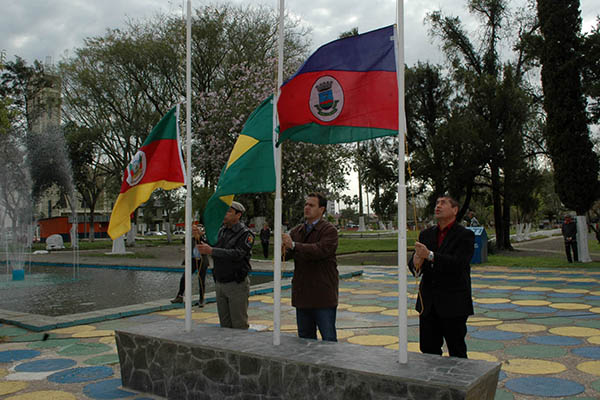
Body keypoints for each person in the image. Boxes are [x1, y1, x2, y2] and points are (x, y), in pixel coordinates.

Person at [408, 195, 475, 358]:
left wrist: (430, 255)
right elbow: (416, 266)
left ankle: (457, 382)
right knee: (428, 350)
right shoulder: (426, 235)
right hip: (428, 304)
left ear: (454, 210)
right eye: (437, 203)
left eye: (443, 203)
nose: (438, 206)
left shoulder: (465, 235)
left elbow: (458, 264)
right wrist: (416, 261)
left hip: (454, 303)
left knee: (456, 349)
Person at [282, 192, 339, 342]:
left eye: (311, 205)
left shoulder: (329, 231)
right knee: (304, 341)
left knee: (329, 340)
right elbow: (286, 255)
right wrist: (282, 248)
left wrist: (294, 245)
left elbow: (319, 250)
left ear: (322, 209)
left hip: (323, 296)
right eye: (306, 204)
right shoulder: (297, 231)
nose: (307, 208)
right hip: (303, 295)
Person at [196, 201, 254, 329]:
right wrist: (200, 238)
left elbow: (238, 254)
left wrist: (211, 250)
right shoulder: (222, 231)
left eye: (228, 212)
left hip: (236, 283)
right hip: (221, 282)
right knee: (225, 324)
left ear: (238, 215)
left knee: (238, 324)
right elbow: (214, 246)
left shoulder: (245, 234)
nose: (224, 215)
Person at [170, 224, 209, 307]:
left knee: (201, 280)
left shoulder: (204, 238)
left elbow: (207, 244)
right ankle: (180, 296)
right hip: (192, 261)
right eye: (193, 230)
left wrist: (200, 236)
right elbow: (184, 241)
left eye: (196, 230)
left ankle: (202, 299)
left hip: (201, 261)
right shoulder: (190, 239)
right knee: (184, 278)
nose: (195, 232)